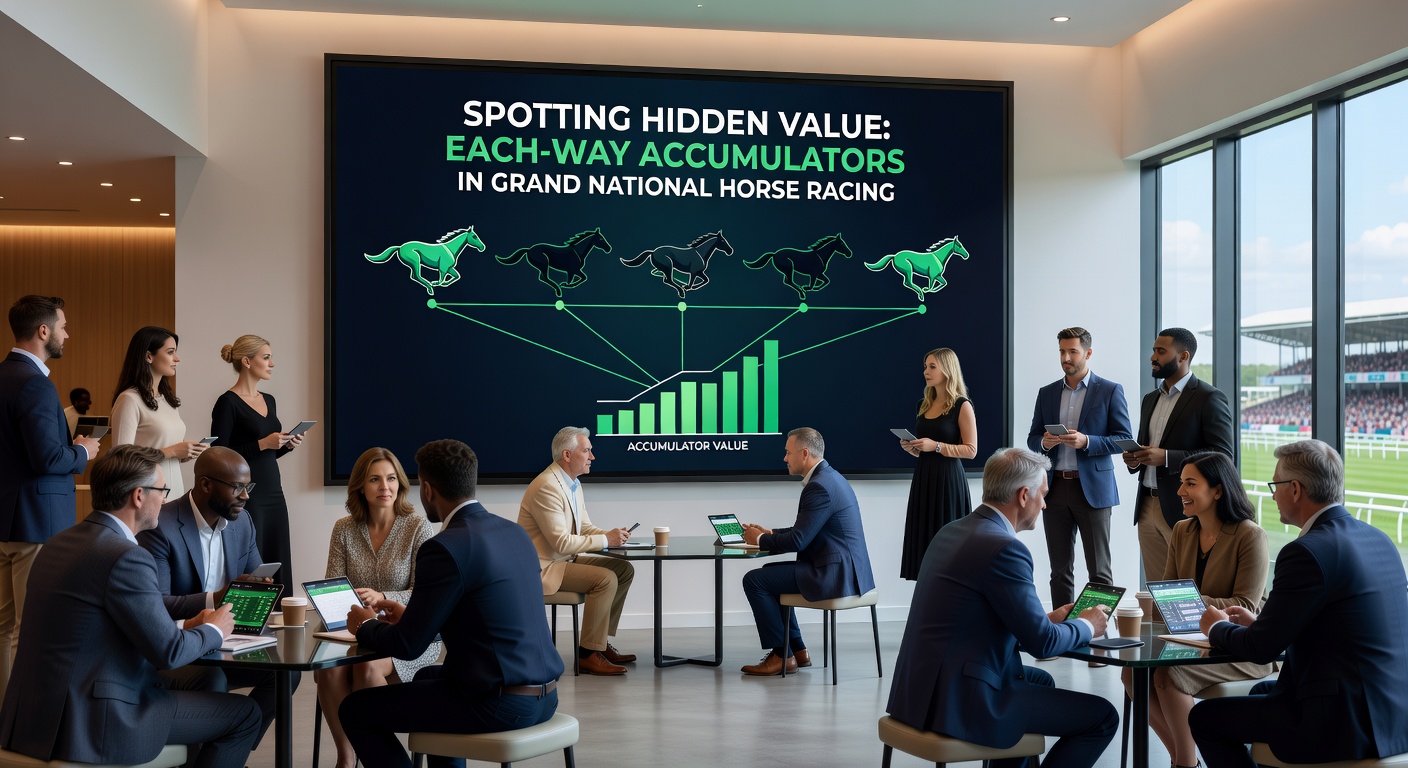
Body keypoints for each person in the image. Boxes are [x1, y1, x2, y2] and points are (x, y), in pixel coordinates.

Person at [0, 444, 261, 768]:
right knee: (246, 715)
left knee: (205, 680)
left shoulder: (57, 543)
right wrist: (214, 628)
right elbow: (168, 653)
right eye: (162, 491)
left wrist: (191, 626)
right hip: (95, 720)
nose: (165, 500)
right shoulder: (126, 557)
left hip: (31, 717)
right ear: (139, 496)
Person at [887, 447, 1119, 768]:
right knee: (1103, 717)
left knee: (1040, 682)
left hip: (920, 690)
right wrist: (1088, 625)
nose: (1045, 504)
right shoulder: (1005, 548)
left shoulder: (952, 531)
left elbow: (980, 619)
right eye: (1043, 494)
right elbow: (1043, 644)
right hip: (961, 699)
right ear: (1023, 496)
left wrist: (1047, 619)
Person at [339, 439, 564, 768]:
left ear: (428, 490)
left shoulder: (445, 547)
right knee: (427, 677)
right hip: (546, 696)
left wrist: (365, 625)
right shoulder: (513, 533)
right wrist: (411, 615)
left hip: (500, 705)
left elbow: (407, 646)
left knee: (354, 709)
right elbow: (479, 617)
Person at [1190, 439, 1408, 768]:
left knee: (1204, 718)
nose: (1273, 496)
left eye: (1275, 486)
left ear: (1294, 489)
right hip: (1394, 711)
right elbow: (1337, 624)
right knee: (1261, 693)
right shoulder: (1379, 539)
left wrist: (1216, 627)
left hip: (1345, 721)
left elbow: (1261, 649)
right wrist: (1259, 624)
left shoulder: (1305, 551)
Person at [1120, 452, 1271, 768]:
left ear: (1217, 491)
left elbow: (1245, 605)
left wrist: (1187, 601)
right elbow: (1167, 594)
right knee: (1132, 674)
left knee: (1168, 675)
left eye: (1190, 483)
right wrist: (1169, 601)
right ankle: (1184, 759)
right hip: (1193, 641)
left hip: (1239, 647)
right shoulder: (1182, 530)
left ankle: (1184, 763)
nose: (1180, 491)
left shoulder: (1250, 535)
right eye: (1181, 483)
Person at [137, 445, 295, 743]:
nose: (246, 496)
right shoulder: (162, 525)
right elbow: (157, 605)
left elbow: (253, 581)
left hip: (227, 642)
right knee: (212, 679)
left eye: (248, 487)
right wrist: (217, 598)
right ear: (206, 484)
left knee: (286, 674)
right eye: (237, 487)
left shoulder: (242, 522)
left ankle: (232, 749)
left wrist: (258, 588)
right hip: (179, 647)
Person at [0, 295, 100, 697]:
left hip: (6, 522)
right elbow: (47, 458)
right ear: (43, 331)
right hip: (36, 521)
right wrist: (82, 452)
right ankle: (22, 719)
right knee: (31, 626)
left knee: (4, 626)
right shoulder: (35, 384)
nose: (67, 334)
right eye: (63, 327)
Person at [317, 447, 438, 768]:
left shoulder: (418, 526)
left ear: (400, 484)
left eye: (391, 478)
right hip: (356, 632)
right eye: (374, 479)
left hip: (406, 633)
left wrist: (381, 596)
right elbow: (333, 585)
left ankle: (382, 759)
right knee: (328, 671)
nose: (385, 486)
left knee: (366, 668)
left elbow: (423, 594)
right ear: (360, 486)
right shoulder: (344, 528)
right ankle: (347, 757)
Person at [739, 427, 876, 675]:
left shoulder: (818, 487)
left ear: (804, 453)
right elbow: (807, 529)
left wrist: (758, 539)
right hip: (848, 571)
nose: (784, 458)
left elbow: (798, 541)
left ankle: (781, 655)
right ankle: (798, 650)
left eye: (788, 452)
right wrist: (770, 533)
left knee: (755, 580)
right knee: (769, 575)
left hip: (835, 576)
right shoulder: (831, 478)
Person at [517, 426, 637, 676]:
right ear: (567, 455)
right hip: (544, 568)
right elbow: (561, 543)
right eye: (587, 451)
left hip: (564, 561)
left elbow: (584, 528)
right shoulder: (547, 486)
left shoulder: (573, 484)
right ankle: (587, 654)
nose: (592, 456)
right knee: (605, 578)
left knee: (623, 569)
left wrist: (613, 536)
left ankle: (599, 643)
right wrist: (606, 540)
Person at [1026, 326, 1132, 606]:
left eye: (1072, 351)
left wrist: (1087, 441)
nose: (1066, 358)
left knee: (1099, 571)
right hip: (1054, 489)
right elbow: (1032, 438)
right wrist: (1044, 442)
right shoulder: (1047, 393)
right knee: (1059, 571)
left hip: (1093, 490)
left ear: (1088, 353)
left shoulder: (1109, 390)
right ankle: (1063, 627)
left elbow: (1123, 439)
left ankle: (1097, 627)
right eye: (1062, 351)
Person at [1124, 327, 1234, 582]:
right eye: (1154, 350)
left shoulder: (1209, 397)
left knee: (1185, 587)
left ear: (1183, 356)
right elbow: (1146, 446)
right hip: (1147, 505)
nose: (1153, 357)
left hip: (1184, 506)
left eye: (1161, 351)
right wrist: (1135, 459)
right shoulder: (1150, 399)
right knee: (1156, 587)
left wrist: (1166, 457)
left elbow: (1223, 454)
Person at [210, 334, 303, 593]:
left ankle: (281, 612)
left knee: (278, 554)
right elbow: (218, 456)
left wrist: (285, 446)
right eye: (266, 357)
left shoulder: (269, 399)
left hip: (274, 492)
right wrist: (262, 443)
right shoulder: (227, 402)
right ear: (247, 361)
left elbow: (265, 455)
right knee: (254, 559)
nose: (272, 364)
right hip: (247, 494)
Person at [897, 347, 977, 580]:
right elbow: (928, 448)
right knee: (924, 542)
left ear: (948, 370)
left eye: (932, 367)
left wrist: (936, 446)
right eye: (925, 367)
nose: (926, 372)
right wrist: (914, 449)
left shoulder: (962, 405)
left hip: (948, 482)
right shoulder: (923, 404)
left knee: (948, 544)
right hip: (924, 479)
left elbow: (971, 450)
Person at [112, 326, 207, 498]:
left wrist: (185, 453)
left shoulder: (168, 401)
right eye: (170, 352)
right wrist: (172, 451)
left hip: (174, 490)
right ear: (149, 356)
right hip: (145, 492)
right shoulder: (129, 399)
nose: (177, 358)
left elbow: (165, 449)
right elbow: (121, 457)